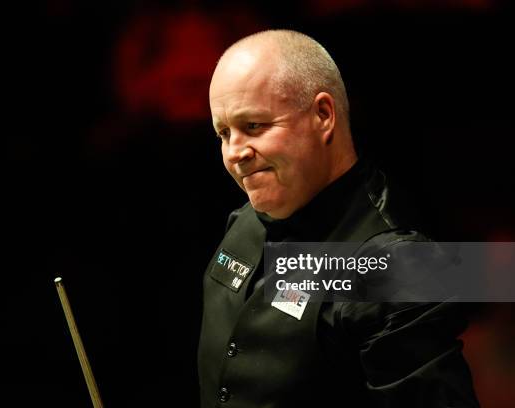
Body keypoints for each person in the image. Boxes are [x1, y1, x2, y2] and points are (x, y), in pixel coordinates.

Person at [198, 29, 479, 407]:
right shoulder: (245, 218)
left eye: (254, 127)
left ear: (323, 115)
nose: (235, 152)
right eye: (223, 133)